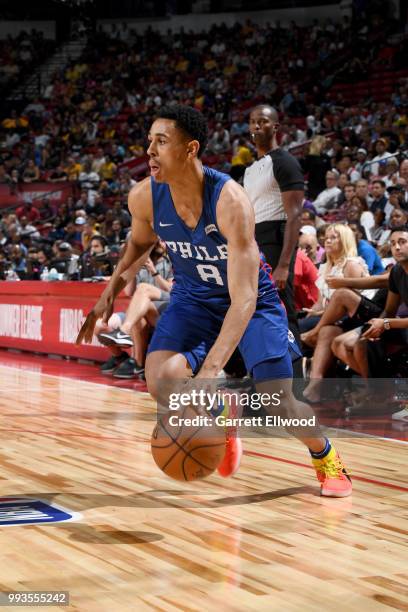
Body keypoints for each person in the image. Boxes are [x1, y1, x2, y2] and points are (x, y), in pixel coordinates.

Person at [77, 104, 351, 497]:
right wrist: (108, 291)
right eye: (149, 141)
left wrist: (208, 374)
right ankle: (221, 413)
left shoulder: (230, 201)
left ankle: (326, 458)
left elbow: (243, 302)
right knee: (161, 379)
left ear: (190, 149)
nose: (150, 151)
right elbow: (139, 243)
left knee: (278, 402)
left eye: (161, 141)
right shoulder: (144, 197)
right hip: (194, 298)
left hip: (250, 304)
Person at [244, 104, 304, 369]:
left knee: (283, 313)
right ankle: (264, 384)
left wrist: (283, 264)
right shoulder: (250, 169)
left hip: (277, 242)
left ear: (275, 127)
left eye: (263, 121)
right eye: (253, 121)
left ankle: (296, 387)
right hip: (255, 243)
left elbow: (294, 216)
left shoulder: (285, 162)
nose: (257, 125)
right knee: (257, 314)